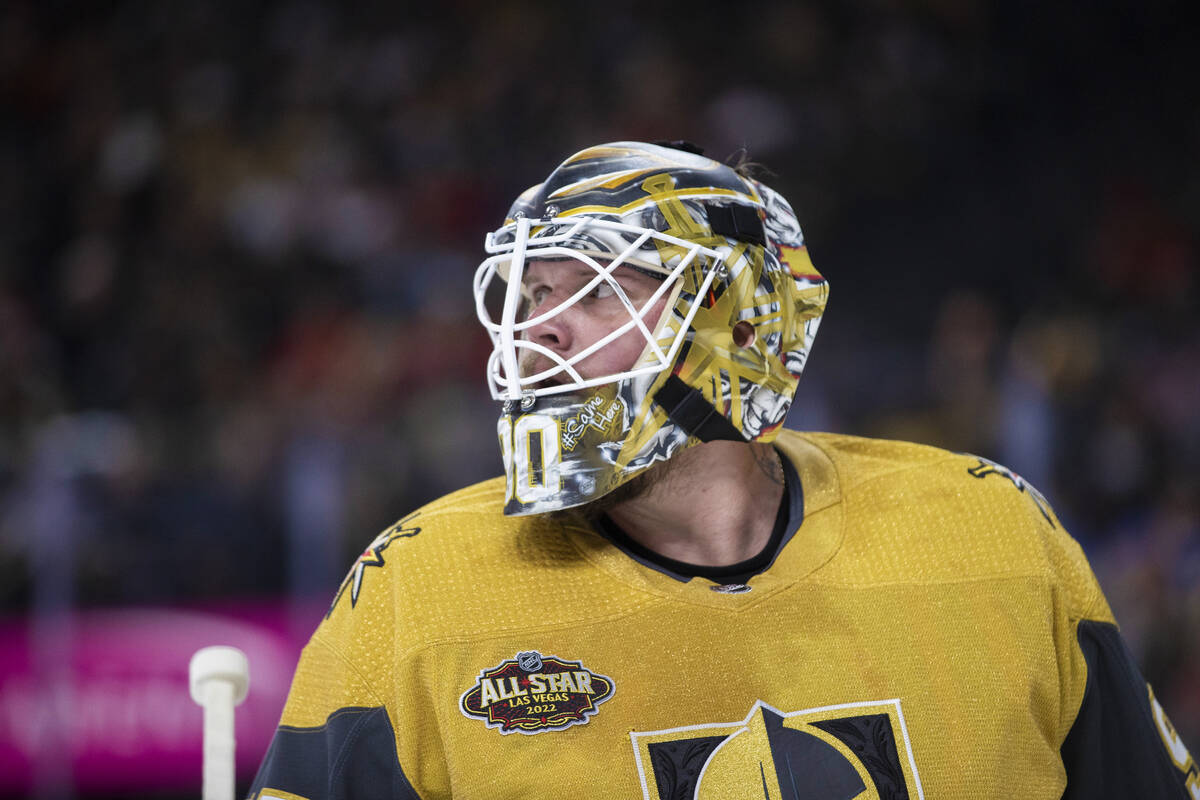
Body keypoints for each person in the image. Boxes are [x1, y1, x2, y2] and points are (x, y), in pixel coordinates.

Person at [248, 141, 1197, 799]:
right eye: (534, 293)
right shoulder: (415, 589)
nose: (541, 329)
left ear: (740, 327)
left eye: (599, 287)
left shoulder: (986, 532)